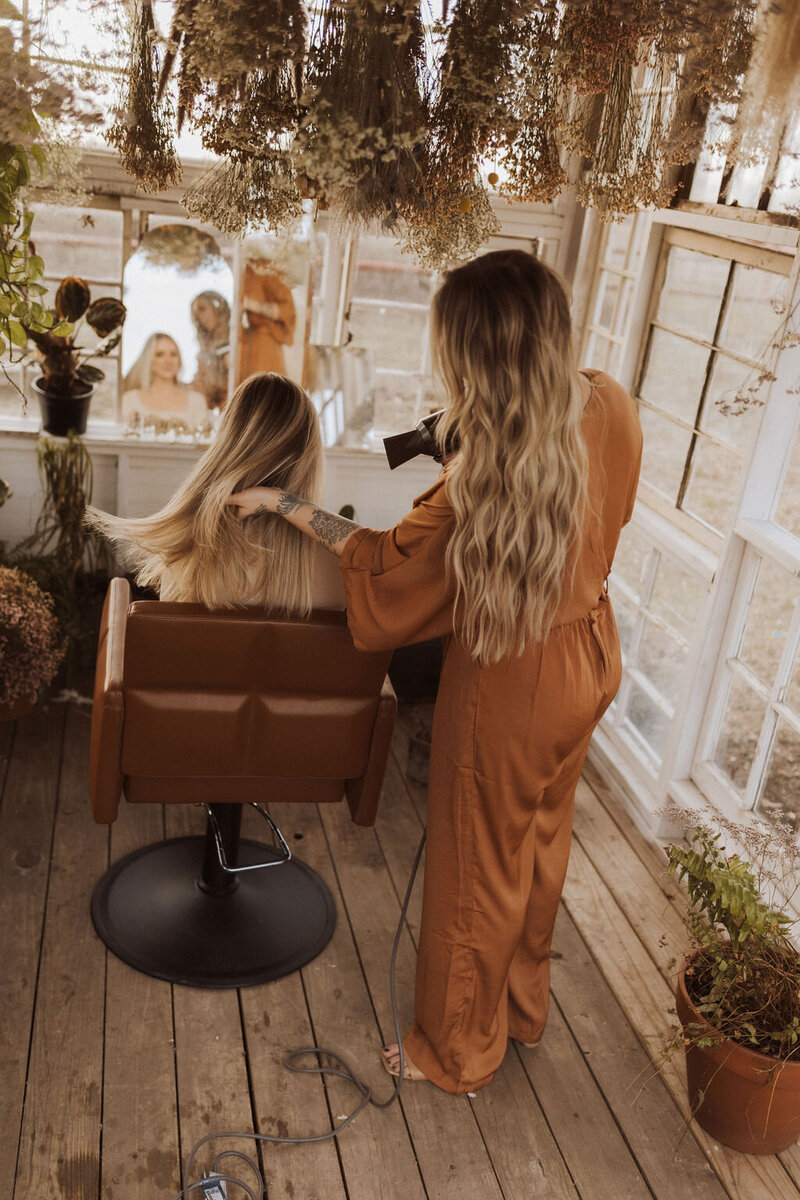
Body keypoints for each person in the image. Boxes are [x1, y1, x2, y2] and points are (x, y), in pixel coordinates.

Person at [226, 250, 642, 1095]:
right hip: (591, 654)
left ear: (476, 359)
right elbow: (597, 503)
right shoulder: (608, 401)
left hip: (514, 685)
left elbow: (382, 569)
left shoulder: (479, 487)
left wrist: (281, 504)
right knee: (539, 846)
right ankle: (521, 1010)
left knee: (474, 872)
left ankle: (453, 1050)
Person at [88, 372, 343, 612]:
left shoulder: (188, 551)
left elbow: (171, 648)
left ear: (229, 441)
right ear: (309, 454)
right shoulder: (340, 567)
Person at [122, 332, 208, 426]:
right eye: (160, 355)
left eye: (173, 354)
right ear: (149, 359)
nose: (168, 361)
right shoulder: (130, 400)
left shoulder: (196, 401)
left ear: (179, 359)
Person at [237, 260, 296, 381]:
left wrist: (250, 304)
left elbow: (287, 311)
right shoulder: (242, 268)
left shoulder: (265, 268)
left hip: (265, 347)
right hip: (245, 344)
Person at [191, 291, 232, 409]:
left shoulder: (232, 342)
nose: (200, 318)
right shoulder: (207, 347)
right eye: (196, 314)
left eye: (202, 309)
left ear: (217, 309)